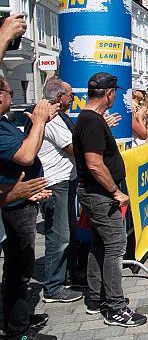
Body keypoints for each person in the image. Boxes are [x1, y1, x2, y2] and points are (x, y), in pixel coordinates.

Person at [73, 73, 146, 327]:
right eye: (115, 92)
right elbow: (94, 164)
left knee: (100, 245)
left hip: (96, 193)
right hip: (101, 194)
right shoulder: (91, 121)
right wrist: (115, 191)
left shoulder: (90, 119)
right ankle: (116, 307)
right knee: (115, 247)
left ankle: (96, 298)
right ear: (109, 94)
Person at [0, 76, 57, 338]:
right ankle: (17, 329)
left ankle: (18, 316)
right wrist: (40, 122)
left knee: (19, 267)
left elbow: (30, 146)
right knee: (18, 268)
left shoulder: (6, 123)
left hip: (22, 199)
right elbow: (25, 155)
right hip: (13, 205)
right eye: (11, 92)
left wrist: (38, 125)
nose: (13, 97)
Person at [37, 79, 84, 304]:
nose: (72, 99)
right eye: (70, 95)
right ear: (59, 97)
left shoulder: (61, 116)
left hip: (66, 179)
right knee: (59, 236)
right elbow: (71, 147)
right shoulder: (51, 118)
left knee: (67, 233)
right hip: (55, 182)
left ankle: (67, 276)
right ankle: (53, 286)